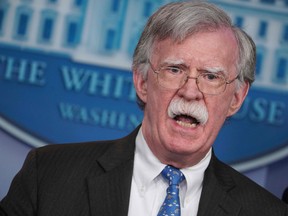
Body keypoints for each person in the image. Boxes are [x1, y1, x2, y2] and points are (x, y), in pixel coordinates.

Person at [1, 1, 287, 216]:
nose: (190, 91)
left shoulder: (267, 212)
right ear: (142, 81)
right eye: (174, 69)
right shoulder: (48, 176)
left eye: (211, 76)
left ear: (236, 98)